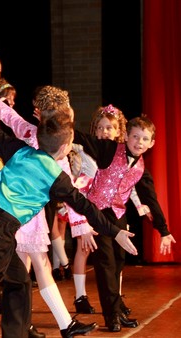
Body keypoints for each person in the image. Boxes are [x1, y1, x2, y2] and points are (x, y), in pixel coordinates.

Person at [0, 89, 138, 338]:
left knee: (19, 281)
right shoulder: (57, 177)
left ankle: (16, 333)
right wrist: (115, 231)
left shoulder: (18, 149)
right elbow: (86, 206)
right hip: (0, 230)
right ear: (66, 146)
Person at [72, 115, 176, 332]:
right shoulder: (110, 150)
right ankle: (111, 316)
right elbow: (82, 138)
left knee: (118, 261)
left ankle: (117, 309)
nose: (139, 142)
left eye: (144, 139)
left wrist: (164, 230)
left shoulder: (141, 168)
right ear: (126, 136)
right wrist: (62, 122)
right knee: (106, 264)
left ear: (151, 143)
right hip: (97, 213)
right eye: (135, 136)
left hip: (118, 214)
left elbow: (150, 198)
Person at [70, 104, 153, 316]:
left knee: (117, 256)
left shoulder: (124, 154)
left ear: (119, 132)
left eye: (110, 128)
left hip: (113, 210)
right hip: (86, 206)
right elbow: (77, 177)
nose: (105, 131)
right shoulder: (86, 150)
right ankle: (80, 296)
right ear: (94, 130)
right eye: (100, 127)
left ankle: (116, 298)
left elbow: (130, 186)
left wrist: (142, 208)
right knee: (83, 249)